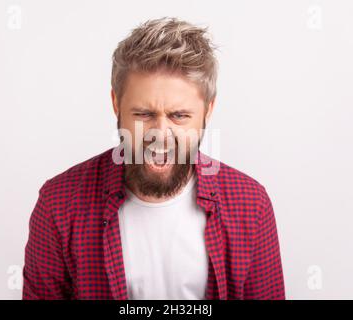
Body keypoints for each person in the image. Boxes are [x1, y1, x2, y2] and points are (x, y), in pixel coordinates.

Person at [22, 17, 285, 300]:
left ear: (208, 111)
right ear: (115, 104)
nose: (161, 134)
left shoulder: (250, 204)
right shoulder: (58, 204)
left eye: (179, 116)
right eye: (143, 115)